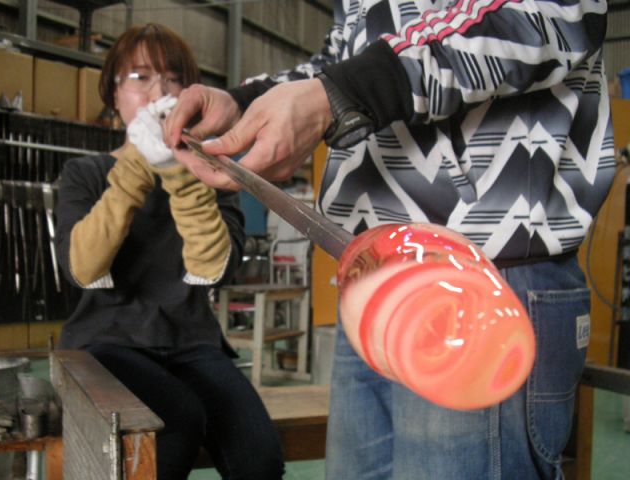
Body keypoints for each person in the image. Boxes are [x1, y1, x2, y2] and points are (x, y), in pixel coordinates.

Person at [165, 1, 616, 479]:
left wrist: (340, 93)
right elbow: (345, 55)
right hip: (376, 282)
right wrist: (246, 103)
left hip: (481, 277)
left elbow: (547, 15)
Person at [54, 23, 284, 480]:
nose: (159, 92)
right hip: (107, 340)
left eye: (173, 79)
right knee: (175, 422)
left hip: (192, 341)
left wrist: (178, 173)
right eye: (140, 77)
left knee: (259, 460)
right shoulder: (85, 173)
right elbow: (82, 267)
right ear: (114, 92)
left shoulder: (214, 174)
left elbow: (216, 267)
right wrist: (137, 167)